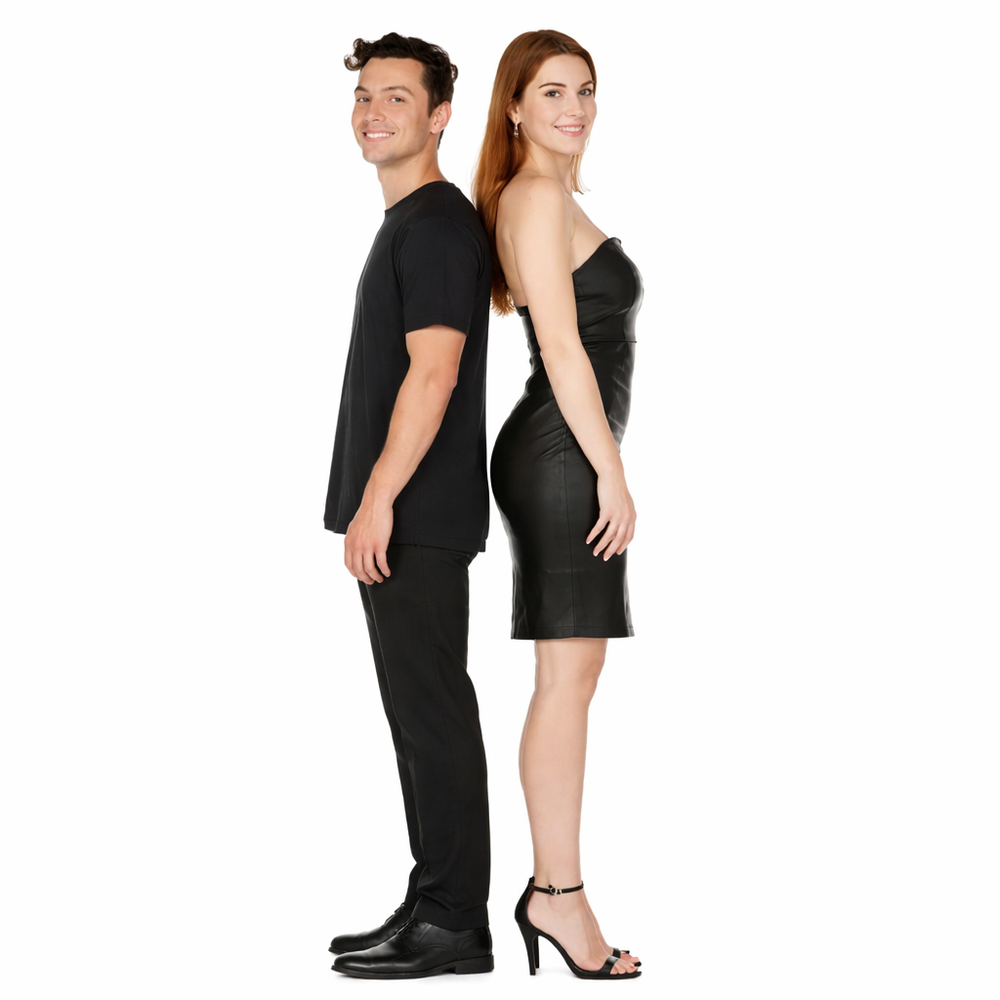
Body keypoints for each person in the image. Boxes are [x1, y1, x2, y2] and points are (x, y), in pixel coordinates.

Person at [472, 30, 642, 979]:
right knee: (566, 681)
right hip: (562, 456)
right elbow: (566, 351)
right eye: (551, 92)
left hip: (564, 452)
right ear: (514, 106)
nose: (573, 108)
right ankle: (559, 896)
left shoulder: (547, 194)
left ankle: (555, 890)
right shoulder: (535, 197)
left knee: (570, 676)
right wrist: (610, 471)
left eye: (584, 89)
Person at [323, 33, 493, 979]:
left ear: (440, 116)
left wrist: (378, 498)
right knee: (418, 717)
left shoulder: (432, 227)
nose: (374, 112)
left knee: (432, 716)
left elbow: (435, 373)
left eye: (397, 97)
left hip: (414, 517)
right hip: (406, 516)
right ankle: (434, 900)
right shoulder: (412, 223)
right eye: (365, 97)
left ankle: (456, 920)